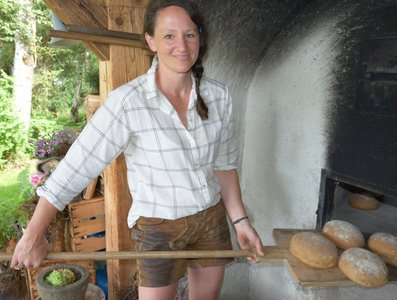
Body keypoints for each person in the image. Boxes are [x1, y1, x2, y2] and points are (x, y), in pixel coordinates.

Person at [11, 0, 264, 299]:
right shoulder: (128, 102)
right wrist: (33, 233)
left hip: (210, 219)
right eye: (169, 36)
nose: (181, 45)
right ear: (151, 41)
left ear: (199, 38)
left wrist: (241, 222)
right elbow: (78, 166)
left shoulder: (219, 96)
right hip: (158, 227)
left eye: (189, 34)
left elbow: (224, 165)